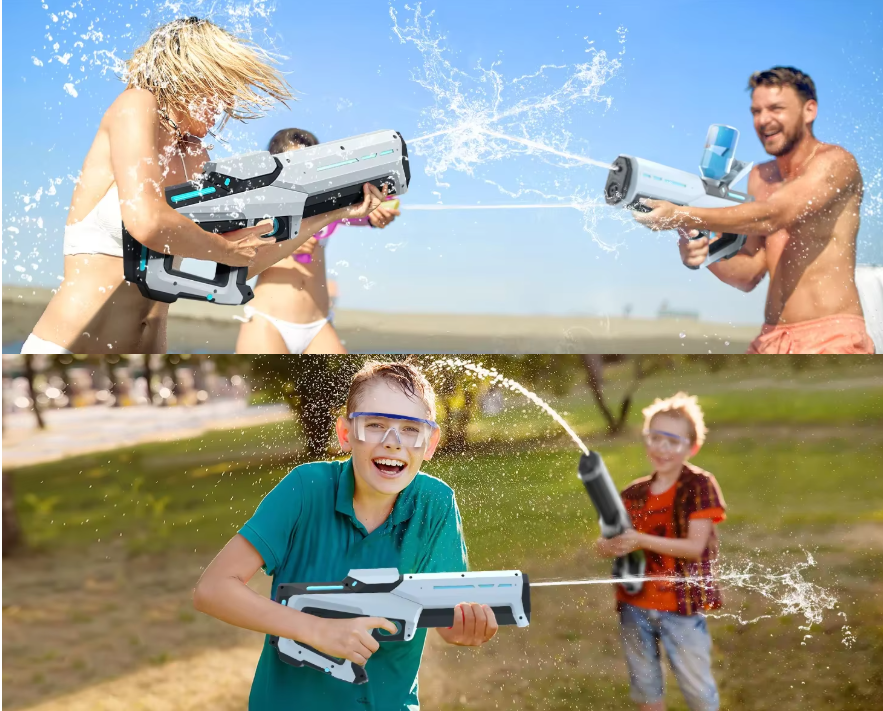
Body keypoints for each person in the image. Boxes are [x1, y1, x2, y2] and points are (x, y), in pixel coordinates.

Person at [23, 18, 387, 354]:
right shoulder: (137, 106)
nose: (227, 104)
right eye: (222, 88)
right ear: (192, 75)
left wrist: (334, 210)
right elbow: (147, 221)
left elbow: (243, 260)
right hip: (66, 351)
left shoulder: (195, 154)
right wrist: (225, 251)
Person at [193, 361, 497, 710]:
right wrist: (318, 630)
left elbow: (445, 619)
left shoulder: (436, 504)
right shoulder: (305, 489)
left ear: (430, 444)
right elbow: (213, 589)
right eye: (375, 425)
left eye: (411, 430)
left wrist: (464, 629)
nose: (393, 443)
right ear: (345, 434)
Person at [635, 66, 874, 354]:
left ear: (809, 111)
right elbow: (749, 271)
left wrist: (684, 213)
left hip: (831, 338)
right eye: (756, 111)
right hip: (771, 339)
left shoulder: (836, 162)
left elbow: (774, 215)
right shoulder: (759, 177)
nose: (763, 120)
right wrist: (702, 249)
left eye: (776, 108)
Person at [595, 392, 726, 711]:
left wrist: (639, 539)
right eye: (655, 437)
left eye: (673, 441)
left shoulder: (699, 487)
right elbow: (603, 543)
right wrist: (608, 545)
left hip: (680, 608)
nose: (662, 448)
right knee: (646, 687)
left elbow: (694, 548)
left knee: (697, 689)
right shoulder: (632, 493)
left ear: (691, 447)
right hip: (634, 606)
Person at [235, 129, 400, 353]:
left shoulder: (329, 205)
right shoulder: (261, 208)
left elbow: (367, 212)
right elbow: (240, 262)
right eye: (293, 163)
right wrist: (288, 244)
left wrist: (379, 213)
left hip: (319, 324)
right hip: (268, 320)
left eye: (309, 163)